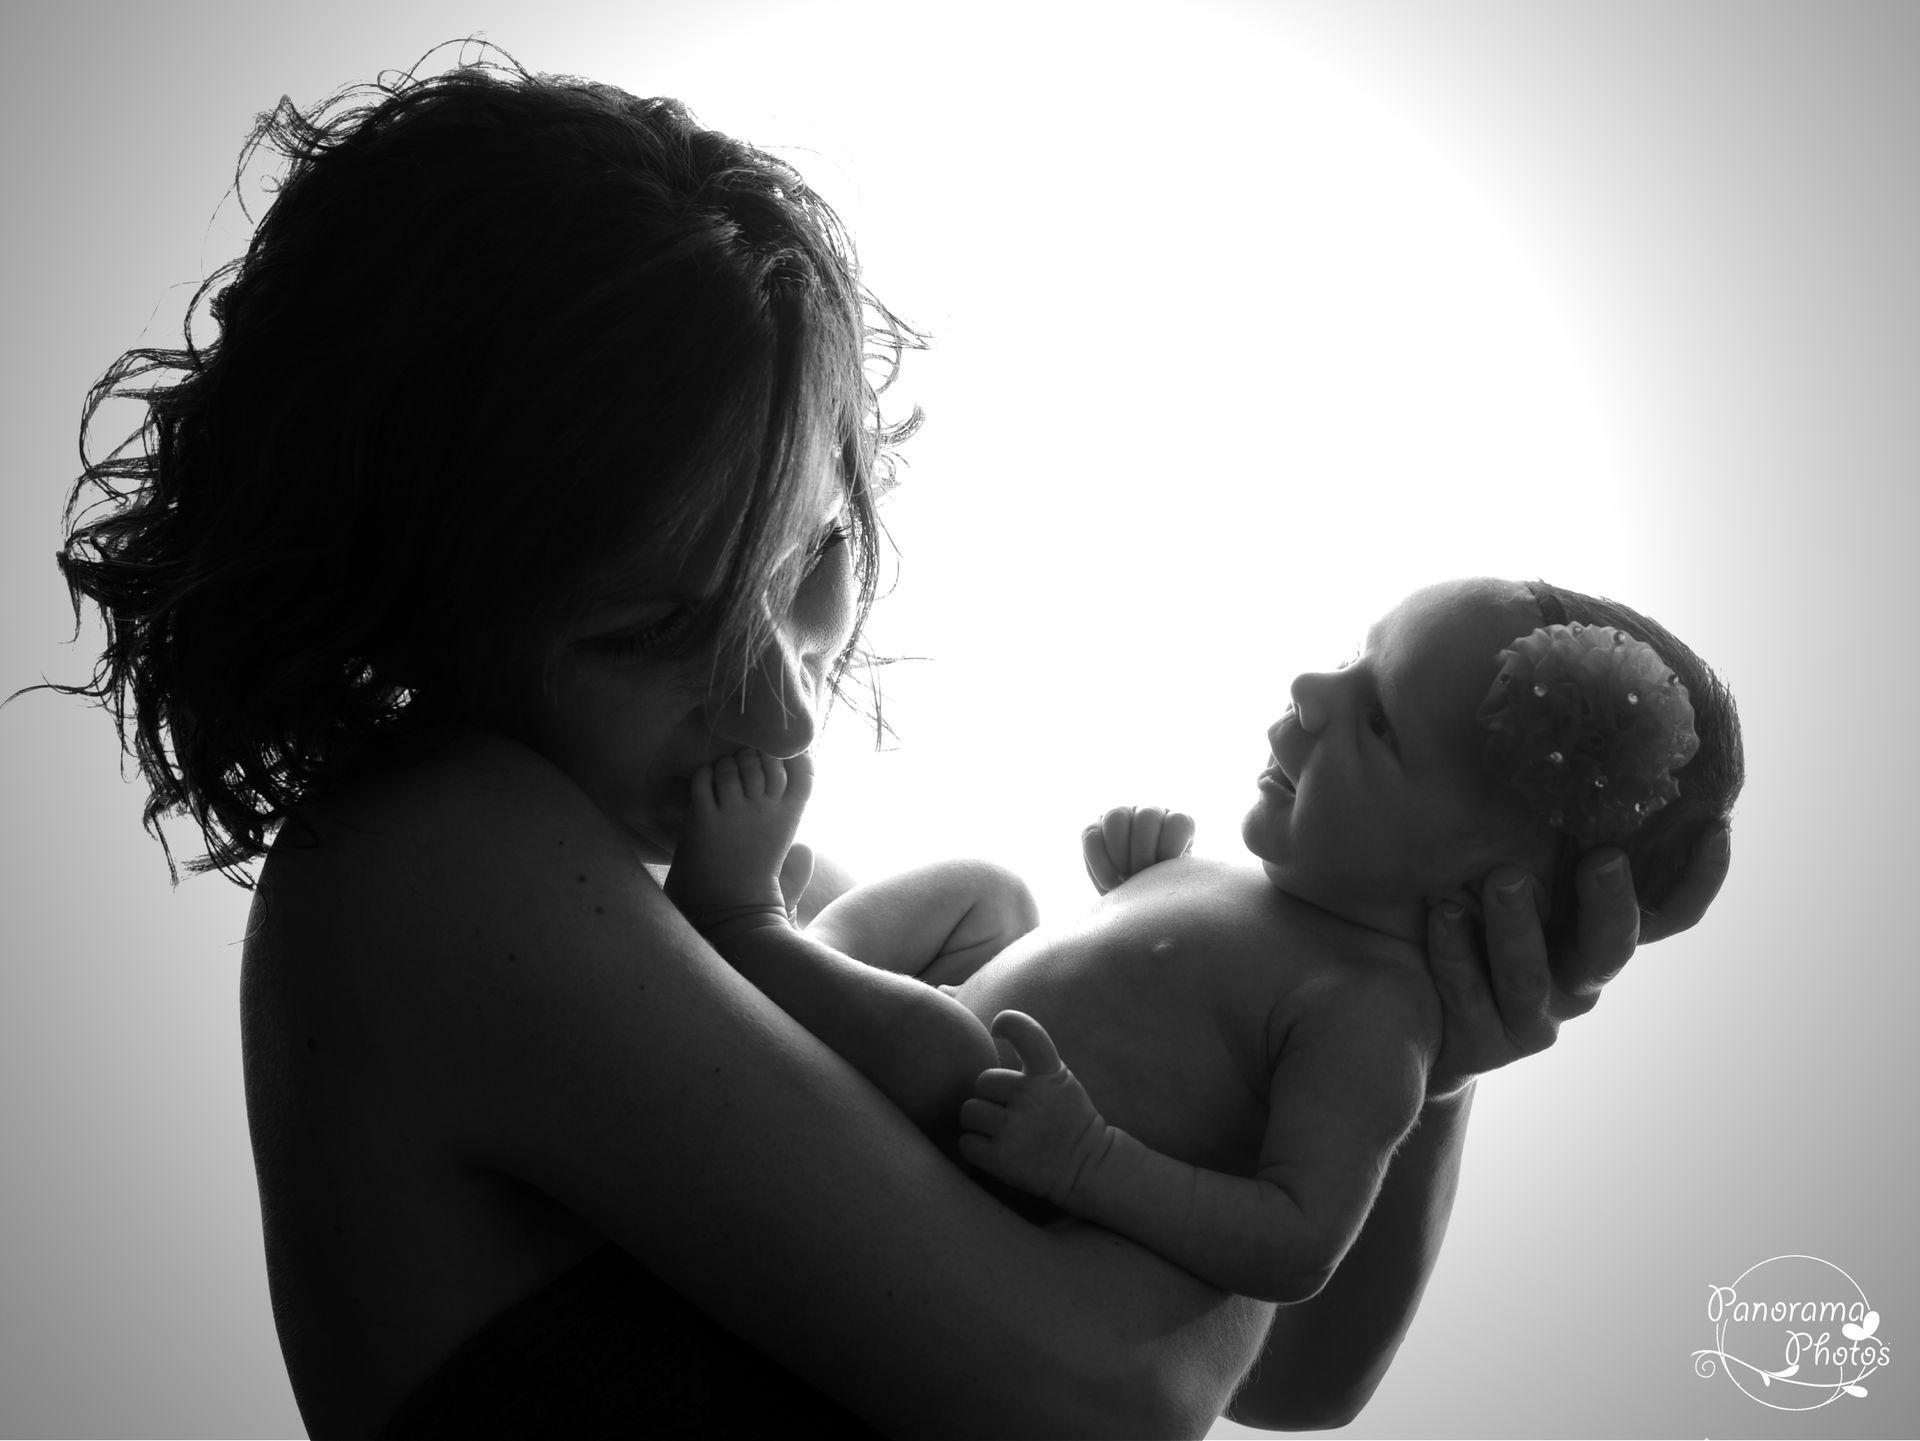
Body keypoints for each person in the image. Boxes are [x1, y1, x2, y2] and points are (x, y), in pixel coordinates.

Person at [44, 45, 1730, 1438]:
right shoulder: (434, 858)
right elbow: (1109, 1390)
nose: (782, 704)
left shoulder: (791, 924)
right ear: (424, 602)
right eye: (649, 635)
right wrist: (1315, 1065)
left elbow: (1297, 1386)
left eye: (812, 571)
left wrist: (1412, 1043)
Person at [664, 576, 1743, 1308]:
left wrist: (1091, 1160)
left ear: (1479, 882)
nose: (1313, 691)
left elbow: (1296, 1237)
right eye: (1352, 660)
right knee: (986, 891)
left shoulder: (1373, 1011)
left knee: (958, 1054)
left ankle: (746, 930)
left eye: (1377, 718)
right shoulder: (1271, 895)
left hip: (988, 1138)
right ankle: (809, 949)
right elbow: (1155, 996)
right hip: (963, 1039)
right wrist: (1136, 891)